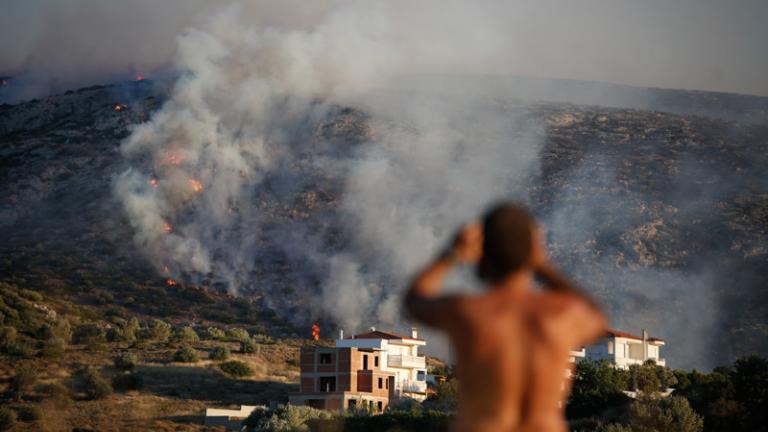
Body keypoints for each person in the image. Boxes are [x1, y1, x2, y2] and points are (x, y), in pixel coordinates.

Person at [405, 203, 606, 432]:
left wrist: (452, 254)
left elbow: (414, 299)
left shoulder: (469, 313)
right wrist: (541, 263)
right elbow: (596, 316)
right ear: (532, 251)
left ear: (484, 255)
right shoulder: (561, 316)